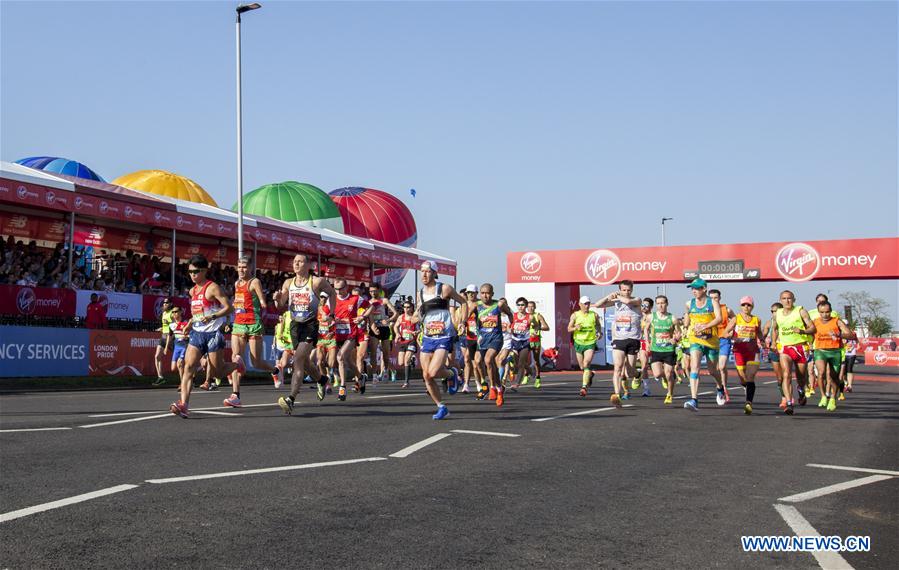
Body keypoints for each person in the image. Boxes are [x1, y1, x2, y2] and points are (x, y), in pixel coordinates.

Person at [169, 255, 243, 418]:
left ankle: (237, 364)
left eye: (195, 272)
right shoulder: (192, 291)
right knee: (188, 366)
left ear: (204, 271)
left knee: (217, 373)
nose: (192, 275)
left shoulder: (213, 288)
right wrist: (189, 323)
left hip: (214, 333)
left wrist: (213, 317)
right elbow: (198, 312)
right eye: (189, 272)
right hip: (197, 334)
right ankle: (184, 405)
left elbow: (229, 308)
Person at [274, 254, 337, 415]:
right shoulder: (288, 282)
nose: (296, 264)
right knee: (305, 362)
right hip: (295, 326)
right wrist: (277, 299)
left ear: (309, 264)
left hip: (310, 325)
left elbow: (332, 293)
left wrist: (331, 314)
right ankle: (323, 380)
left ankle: (291, 399)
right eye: (294, 261)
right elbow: (281, 305)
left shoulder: (316, 281)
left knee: (298, 361)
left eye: (300, 261)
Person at [414, 260, 464, 419]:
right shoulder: (420, 293)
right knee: (426, 376)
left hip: (444, 335)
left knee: (434, 371)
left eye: (427, 271)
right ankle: (442, 407)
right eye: (422, 271)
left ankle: (451, 374)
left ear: (435, 273)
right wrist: (414, 319)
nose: (424, 274)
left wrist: (462, 321)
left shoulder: (444, 289)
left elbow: (463, 302)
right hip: (428, 336)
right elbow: (418, 314)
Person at [230, 257, 280, 405]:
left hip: (253, 324)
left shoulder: (254, 282)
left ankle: (275, 371)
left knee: (256, 363)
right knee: (236, 357)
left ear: (250, 267)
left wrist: (264, 302)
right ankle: (235, 395)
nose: (241, 269)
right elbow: (238, 300)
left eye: (244, 266)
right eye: (239, 266)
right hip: (239, 324)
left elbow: (262, 300)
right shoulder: (236, 283)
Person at [594, 280, 643, 404]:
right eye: (624, 290)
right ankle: (617, 395)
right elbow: (598, 305)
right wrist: (608, 296)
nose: (626, 292)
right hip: (619, 339)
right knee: (618, 368)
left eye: (628, 290)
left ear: (632, 290)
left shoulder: (637, 300)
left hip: (633, 338)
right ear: (620, 289)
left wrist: (618, 296)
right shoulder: (616, 302)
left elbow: (627, 301)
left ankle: (637, 375)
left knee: (630, 371)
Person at [771, 290, 816, 416]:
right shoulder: (777, 314)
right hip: (785, 348)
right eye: (784, 298)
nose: (787, 301)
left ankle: (801, 390)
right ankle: (789, 403)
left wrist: (802, 331)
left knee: (801, 377)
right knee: (786, 375)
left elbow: (813, 328)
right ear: (780, 300)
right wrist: (774, 342)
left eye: (789, 298)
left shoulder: (801, 311)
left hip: (800, 347)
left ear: (794, 300)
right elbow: (775, 329)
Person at [681, 278, 723, 412]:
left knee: (713, 371)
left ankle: (720, 387)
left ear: (704, 289)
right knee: (695, 367)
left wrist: (705, 325)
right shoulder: (689, 303)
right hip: (695, 339)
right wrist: (685, 327)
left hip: (711, 341)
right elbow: (687, 320)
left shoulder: (713, 302)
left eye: (697, 288)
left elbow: (719, 318)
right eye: (692, 289)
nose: (694, 291)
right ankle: (694, 400)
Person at [469, 284, 514, 406]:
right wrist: (463, 323)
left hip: (496, 338)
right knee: (478, 361)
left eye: (488, 293)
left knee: (488, 360)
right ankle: (489, 386)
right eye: (483, 293)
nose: (485, 295)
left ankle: (495, 389)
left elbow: (509, 313)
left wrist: (512, 325)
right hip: (483, 339)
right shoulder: (476, 306)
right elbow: (465, 316)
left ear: (492, 294)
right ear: (480, 294)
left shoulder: (498, 305)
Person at [812, 301, 856, 412]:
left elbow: (850, 335)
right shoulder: (815, 322)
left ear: (831, 311)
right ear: (818, 312)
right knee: (821, 373)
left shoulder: (837, 321)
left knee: (834, 377)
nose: (825, 315)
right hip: (820, 351)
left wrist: (839, 334)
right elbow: (808, 333)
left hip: (835, 352)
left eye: (827, 312)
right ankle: (823, 396)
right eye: (822, 312)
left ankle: (832, 398)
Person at [724, 296, 765, 415]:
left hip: (753, 351)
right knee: (743, 378)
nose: (746, 307)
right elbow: (725, 333)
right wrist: (734, 337)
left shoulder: (757, 319)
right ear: (740, 306)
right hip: (739, 351)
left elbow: (759, 334)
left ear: (752, 306)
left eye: (749, 305)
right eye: (744, 305)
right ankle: (744, 385)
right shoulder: (736, 319)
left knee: (750, 376)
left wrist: (762, 341)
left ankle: (748, 403)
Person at [567, 295, 602, 399]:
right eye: (585, 304)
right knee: (582, 367)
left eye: (588, 303)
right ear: (580, 304)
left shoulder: (594, 315)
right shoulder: (575, 315)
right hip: (578, 342)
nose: (587, 306)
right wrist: (575, 327)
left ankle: (584, 387)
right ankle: (590, 374)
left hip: (590, 342)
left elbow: (598, 325)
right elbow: (569, 329)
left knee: (586, 363)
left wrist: (599, 332)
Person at [646, 295, 678, 404]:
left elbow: (679, 333)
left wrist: (675, 339)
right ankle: (666, 378)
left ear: (667, 304)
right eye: (658, 303)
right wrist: (647, 342)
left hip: (669, 349)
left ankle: (669, 394)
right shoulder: (651, 317)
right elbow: (645, 329)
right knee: (657, 374)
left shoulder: (672, 318)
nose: (660, 305)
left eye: (663, 303)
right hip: (656, 349)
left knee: (669, 373)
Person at [367, 283, 399, 382]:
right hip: (374, 329)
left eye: (374, 291)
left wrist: (388, 320)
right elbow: (367, 316)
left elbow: (396, 314)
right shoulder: (368, 302)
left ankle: (385, 370)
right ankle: (374, 374)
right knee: (373, 353)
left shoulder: (384, 300)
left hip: (384, 328)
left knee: (385, 353)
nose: (372, 293)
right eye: (370, 291)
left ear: (378, 290)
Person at [708, 289, 736, 403]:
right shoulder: (707, 310)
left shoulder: (727, 309)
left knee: (722, 366)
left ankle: (724, 388)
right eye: (711, 298)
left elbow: (735, 320)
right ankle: (720, 388)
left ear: (720, 298)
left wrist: (731, 332)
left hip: (724, 340)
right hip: (711, 340)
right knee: (714, 369)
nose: (714, 300)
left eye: (716, 297)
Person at [457, 285, 482, 393]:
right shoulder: (463, 305)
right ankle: (466, 384)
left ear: (477, 293)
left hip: (479, 337)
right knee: (467, 360)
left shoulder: (481, 304)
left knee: (475, 362)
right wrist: (460, 326)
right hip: (466, 336)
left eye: (473, 292)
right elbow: (458, 320)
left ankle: (479, 382)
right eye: (469, 292)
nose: (471, 294)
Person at [761, 302, 786, 409]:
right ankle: (784, 398)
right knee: (780, 378)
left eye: (776, 311)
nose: (774, 313)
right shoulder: (768, 323)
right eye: (772, 311)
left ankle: (798, 390)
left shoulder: (787, 321)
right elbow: (762, 337)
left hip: (786, 351)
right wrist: (764, 344)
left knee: (787, 375)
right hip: (774, 351)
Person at [509, 297, 534, 390]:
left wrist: (534, 330)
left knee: (520, 363)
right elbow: (508, 325)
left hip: (525, 342)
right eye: (518, 305)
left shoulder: (530, 317)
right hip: (515, 341)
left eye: (522, 305)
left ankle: (517, 384)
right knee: (515, 363)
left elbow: (536, 326)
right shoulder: (513, 315)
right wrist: (509, 329)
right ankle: (530, 369)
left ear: (526, 306)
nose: (520, 307)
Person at [394, 300, 419, 388]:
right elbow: (395, 326)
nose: (406, 309)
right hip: (402, 341)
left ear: (412, 308)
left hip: (412, 341)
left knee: (406, 360)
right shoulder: (401, 317)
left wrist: (416, 332)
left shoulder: (415, 318)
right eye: (404, 307)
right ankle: (412, 362)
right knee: (401, 363)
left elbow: (422, 328)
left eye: (408, 307)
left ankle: (406, 382)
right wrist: (397, 334)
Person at [316, 292, 338, 392]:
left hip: (331, 339)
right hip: (320, 339)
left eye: (325, 297)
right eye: (321, 297)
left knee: (331, 363)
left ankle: (333, 372)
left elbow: (336, 322)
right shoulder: (315, 309)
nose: (323, 299)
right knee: (319, 362)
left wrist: (332, 332)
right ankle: (326, 382)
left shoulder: (330, 309)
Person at [525, 301, 550, 389]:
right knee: (524, 358)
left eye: (532, 306)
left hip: (535, 340)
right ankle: (526, 374)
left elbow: (547, 327)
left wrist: (538, 327)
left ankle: (538, 378)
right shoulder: (525, 316)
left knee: (536, 360)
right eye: (528, 306)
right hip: (526, 340)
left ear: (535, 308)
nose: (530, 308)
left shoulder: (538, 315)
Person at [154, 298, 175, 385]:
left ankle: (189, 377)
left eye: (166, 303)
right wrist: (162, 328)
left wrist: (170, 338)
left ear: (170, 304)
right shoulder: (163, 313)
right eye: (163, 303)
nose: (164, 304)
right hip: (163, 337)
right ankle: (160, 377)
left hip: (171, 338)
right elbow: (166, 326)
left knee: (180, 361)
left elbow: (174, 327)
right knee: (157, 356)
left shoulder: (172, 313)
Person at [168, 306, 191, 381]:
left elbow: (192, 334)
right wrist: (166, 347)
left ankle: (182, 383)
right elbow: (170, 335)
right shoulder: (171, 325)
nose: (174, 313)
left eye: (176, 311)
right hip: (176, 347)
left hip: (185, 346)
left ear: (181, 312)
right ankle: (189, 376)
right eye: (173, 312)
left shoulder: (186, 322)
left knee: (180, 363)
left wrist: (187, 337)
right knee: (173, 368)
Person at [272, 311, 293, 389]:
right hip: (279, 347)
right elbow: (275, 335)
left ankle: (293, 380)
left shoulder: (289, 324)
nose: (281, 319)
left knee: (287, 364)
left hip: (287, 346)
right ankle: (280, 381)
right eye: (280, 318)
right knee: (280, 365)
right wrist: (273, 343)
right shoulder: (277, 326)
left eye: (282, 318)